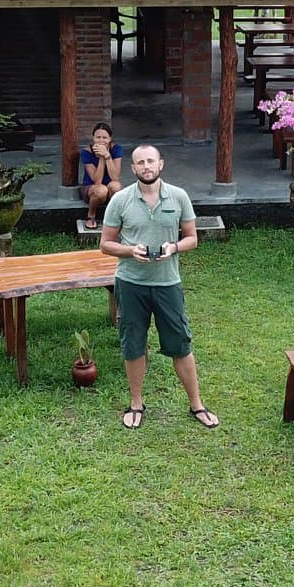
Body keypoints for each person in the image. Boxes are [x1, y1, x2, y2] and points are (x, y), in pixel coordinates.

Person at [100, 143, 218, 430]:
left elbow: (192, 237)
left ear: (160, 164)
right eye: (140, 163)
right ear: (133, 168)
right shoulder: (121, 200)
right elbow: (105, 243)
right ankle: (136, 404)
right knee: (133, 345)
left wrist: (174, 247)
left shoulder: (178, 196)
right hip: (131, 284)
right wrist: (130, 251)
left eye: (150, 161)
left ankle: (197, 405)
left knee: (180, 344)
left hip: (167, 283)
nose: (146, 167)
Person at [78, 121, 123, 230]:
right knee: (101, 190)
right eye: (98, 137)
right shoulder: (86, 152)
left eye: (105, 138)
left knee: (116, 186)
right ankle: (91, 216)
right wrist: (101, 158)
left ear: (110, 139)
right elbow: (97, 181)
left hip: (109, 188)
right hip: (92, 189)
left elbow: (115, 177)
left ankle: (113, 217)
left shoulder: (116, 149)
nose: (101, 141)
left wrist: (107, 156)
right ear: (93, 138)